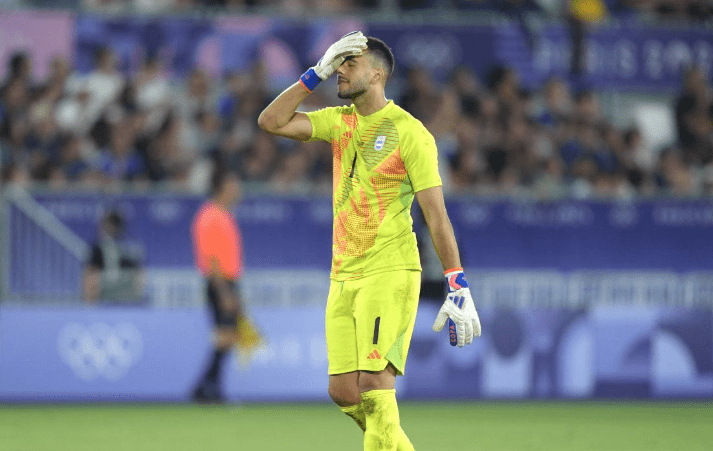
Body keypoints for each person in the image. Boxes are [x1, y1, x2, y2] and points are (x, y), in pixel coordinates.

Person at [258, 31, 481, 450]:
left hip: (390, 268)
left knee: (376, 387)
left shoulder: (409, 132)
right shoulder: (339, 122)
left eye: (349, 65)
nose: (340, 70)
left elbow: (436, 214)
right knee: (343, 391)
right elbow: (270, 122)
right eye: (338, 64)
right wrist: (315, 73)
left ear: (377, 75)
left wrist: (456, 279)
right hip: (343, 274)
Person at [190, 168, 261, 403]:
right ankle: (206, 389)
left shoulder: (223, 215)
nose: (237, 190)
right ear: (221, 187)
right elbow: (211, 260)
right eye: (233, 184)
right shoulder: (209, 216)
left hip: (229, 282)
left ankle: (207, 388)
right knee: (225, 337)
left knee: (228, 336)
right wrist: (224, 292)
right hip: (219, 283)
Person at [82, 209, 145, 304]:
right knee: (91, 275)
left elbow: (137, 270)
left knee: (140, 275)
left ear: (113, 226)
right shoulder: (98, 248)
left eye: (105, 225)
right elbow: (91, 270)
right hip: (108, 286)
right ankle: (90, 303)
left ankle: (136, 304)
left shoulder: (127, 246)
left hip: (119, 286)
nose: (101, 228)